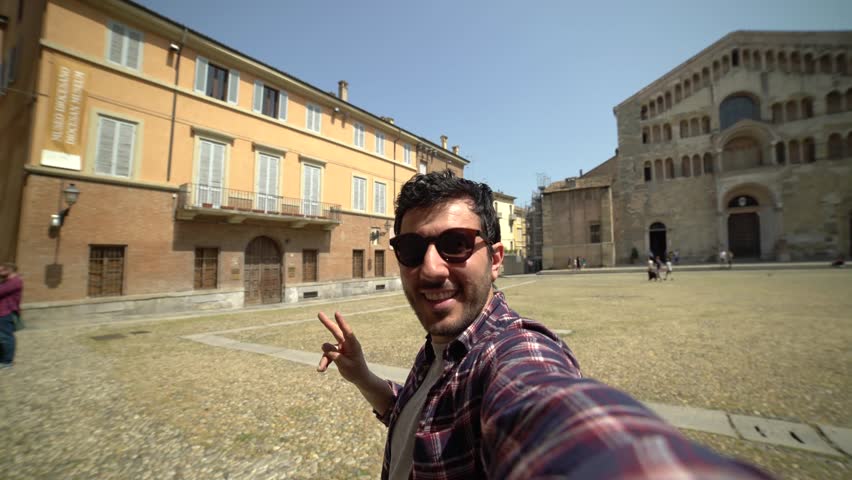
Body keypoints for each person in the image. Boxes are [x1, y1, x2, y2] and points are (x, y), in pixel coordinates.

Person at [315, 172, 771, 479]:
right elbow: (420, 416)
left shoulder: (509, 353)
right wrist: (364, 377)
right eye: (412, 250)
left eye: (455, 244)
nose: (431, 269)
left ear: (495, 260)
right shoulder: (440, 345)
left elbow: (550, 411)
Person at [0, 262, 23, 369]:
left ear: (9, 270)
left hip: (6, 313)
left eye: (1, 270)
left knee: (6, 337)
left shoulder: (15, 281)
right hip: (2, 312)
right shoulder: (6, 281)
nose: (0, 272)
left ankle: (7, 361)